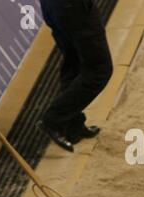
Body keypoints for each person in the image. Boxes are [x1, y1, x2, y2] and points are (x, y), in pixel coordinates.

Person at [37, 0, 113, 152]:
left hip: (54, 8)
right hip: (73, 8)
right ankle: (54, 119)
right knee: (99, 70)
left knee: (74, 63)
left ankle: (72, 126)